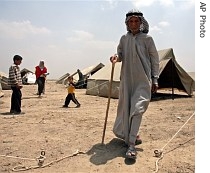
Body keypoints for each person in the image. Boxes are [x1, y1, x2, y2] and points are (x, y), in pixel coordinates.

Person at [110, 9, 159, 160]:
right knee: (127, 109)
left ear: (141, 22)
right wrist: (115, 57)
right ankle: (133, 135)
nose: (133, 24)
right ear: (127, 23)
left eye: (136, 21)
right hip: (127, 79)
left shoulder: (148, 39)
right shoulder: (124, 39)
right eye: (130, 21)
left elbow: (154, 60)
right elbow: (120, 54)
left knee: (138, 109)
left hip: (143, 79)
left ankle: (131, 145)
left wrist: (155, 78)